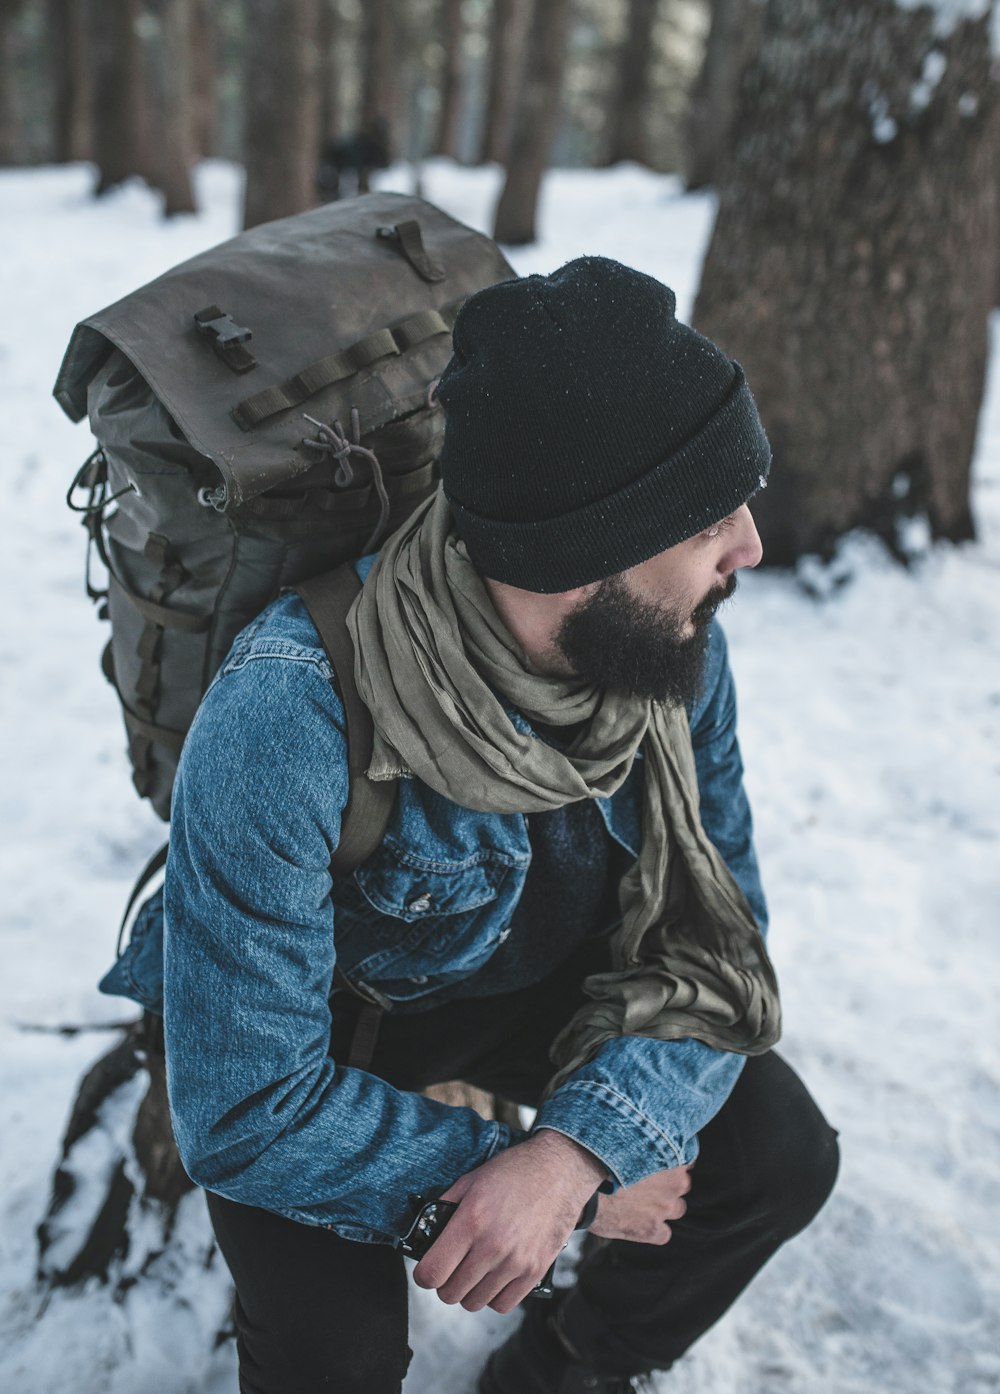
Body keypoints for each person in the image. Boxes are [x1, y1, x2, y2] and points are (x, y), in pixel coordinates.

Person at [160, 257, 839, 1394]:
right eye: (712, 515)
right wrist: (509, 1172)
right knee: (334, 1356)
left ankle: (566, 1365)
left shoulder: (670, 647)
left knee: (778, 1161)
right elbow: (242, 1107)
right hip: (338, 1034)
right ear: (582, 549)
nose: (751, 548)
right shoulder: (285, 712)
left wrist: (578, 1148)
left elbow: (719, 933)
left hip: (543, 980)